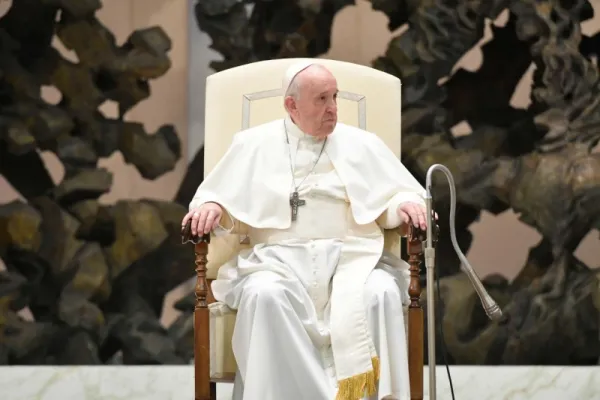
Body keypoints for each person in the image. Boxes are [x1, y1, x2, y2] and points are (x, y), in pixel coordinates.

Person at [183, 62, 430, 400]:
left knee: (382, 292)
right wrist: (213, 206)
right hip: (276, 262)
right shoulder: (253, 144)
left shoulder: (362, 144)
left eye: (335, 97)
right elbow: (218, 196)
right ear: (292, 105)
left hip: (353, 258)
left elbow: (391, 196)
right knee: (264, 295)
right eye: (321, 99)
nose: (333, 108)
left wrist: (405, 204)